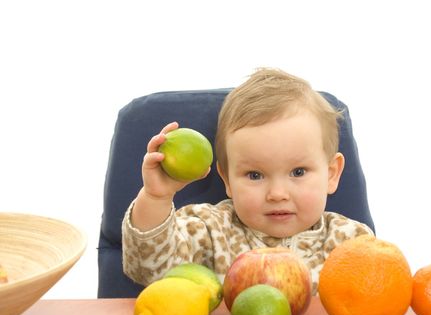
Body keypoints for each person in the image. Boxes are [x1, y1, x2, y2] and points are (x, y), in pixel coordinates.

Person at [122, 68, 374, 294]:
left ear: (331, 174)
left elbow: (379, 303)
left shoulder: (350, 242)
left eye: (298, 172)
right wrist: (156, 197)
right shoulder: (211, 230)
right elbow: (151, 269)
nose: (277, 194)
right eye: (255, 175)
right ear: (227, 180)